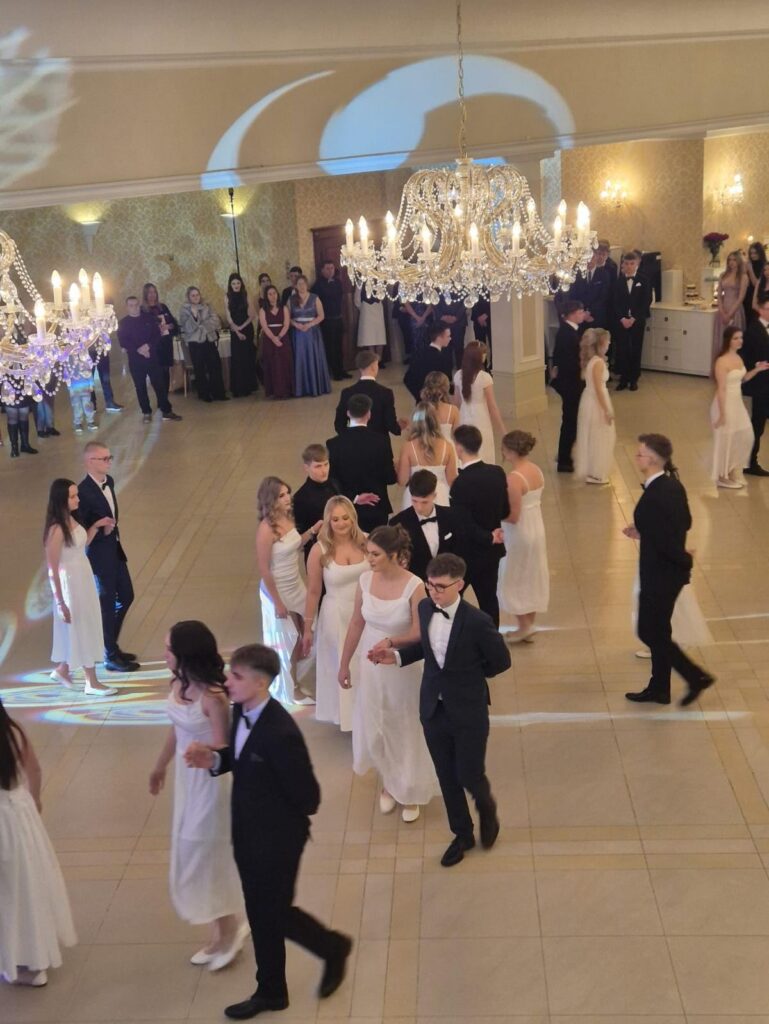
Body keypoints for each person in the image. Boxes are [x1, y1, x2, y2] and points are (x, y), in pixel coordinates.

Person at [184, 644, 353, 1020]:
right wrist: (213, 759)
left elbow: (309, 797)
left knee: (272, 912)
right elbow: (240, 758)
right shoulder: (241, 712)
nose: (227, 681)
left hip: (278, 841)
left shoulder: (280, 732)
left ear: (260, 683)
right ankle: (273, 990)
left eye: (236, 676)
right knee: (262, 912)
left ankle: (329, 949)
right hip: (246, 832)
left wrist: (275, 820)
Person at [370, 552, 510, 866]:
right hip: (433, 708)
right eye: (430, 585)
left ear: (459, 584)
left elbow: (501, 662)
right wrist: (396, 656)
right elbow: (427, 648)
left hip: (469, 709)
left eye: (441, 587)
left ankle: (487, 809)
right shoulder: (425, 608)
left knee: (469, 773)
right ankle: (462, 834)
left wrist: (469, 677)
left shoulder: (478, 622)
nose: (433, 592)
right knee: (446, 776)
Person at [149, 621, 247, 970]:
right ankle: (221, 927)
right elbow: (176, 729)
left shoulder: (213, 698)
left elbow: (224, 748)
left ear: (186, 654)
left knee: (204, 851)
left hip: (210, 784)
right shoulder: (179, 683)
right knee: (195, 849)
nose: (164, 655)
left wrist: (203, 751)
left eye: (169, 649)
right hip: (187, 779)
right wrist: (160, 766)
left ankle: (228, 930)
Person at [338, 526, 437, 822]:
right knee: (377, 721)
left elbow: (419, 632)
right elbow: (356, 623)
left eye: (375, 554)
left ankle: (409, 788)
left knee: (404, 722)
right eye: (368, 552)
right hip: (371, 662)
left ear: (394, 555)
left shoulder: (414, 586)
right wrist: (344, 663)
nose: (368, 559)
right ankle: (389, 782)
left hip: (400, 662)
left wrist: (391, 643)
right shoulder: (365, 580)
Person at [624, 433, 715, 706]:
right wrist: (646, 531)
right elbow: (684, 522)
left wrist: (683, 557)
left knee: (649, 631)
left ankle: (695, 676)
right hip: (665, 572)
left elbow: (667, 541)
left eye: (640, 454)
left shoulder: (657, 494)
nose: (637, 458)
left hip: (660, 574)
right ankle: (660, 688)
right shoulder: (672, 485)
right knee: (658, 630)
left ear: (652, 459)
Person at [0, 697, 76, 988]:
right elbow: (35, 770)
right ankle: (34, 956)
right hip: (20, 814)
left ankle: (13, 956)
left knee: (7, 892)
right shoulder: (14, 730)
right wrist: (33, 801)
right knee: (28, 883)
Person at [44, 478, 118, 697]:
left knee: (83, 625)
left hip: (83, 580)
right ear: (61, 500)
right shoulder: (56, 529)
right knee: (81, 627)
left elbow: (80, 544)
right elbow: (52, 568)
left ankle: (63, 669)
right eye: (73, 496)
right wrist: (60, 602)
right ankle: (91, 682)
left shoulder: (72, 520)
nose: (78, 499)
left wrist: (95, 526)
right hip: (71, 586)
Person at [302, 497, 367, 729]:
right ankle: (346, 717)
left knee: (364, 664)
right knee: (341, 663)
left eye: (345, 518)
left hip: (365, 613)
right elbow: (313, 591)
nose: (341, 524)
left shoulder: (367, 541)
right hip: (336, 615)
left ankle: (366, 715)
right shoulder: (319, 550)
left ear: (353, 518)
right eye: (335, 519)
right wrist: (307, 628)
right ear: (328, 521)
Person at [255, 477, 319, 707]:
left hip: (295, 584)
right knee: (289, 640)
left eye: (287, 493)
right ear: (271, 499)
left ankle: (297, 677)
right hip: (278, 589)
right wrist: (278, 602)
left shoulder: (288, 518)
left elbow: (294, 544)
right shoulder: (266, 529)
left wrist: (312, 531)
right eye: (281, 495)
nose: (287, 498)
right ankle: (290, 687)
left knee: (310, 630)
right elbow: (264, 568)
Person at [78, 441, 140, 672]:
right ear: (89, 462)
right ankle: (110, 654)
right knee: (106, 603)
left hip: (114, 548)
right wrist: (98, 526)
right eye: (104, 459)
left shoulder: (109, 481)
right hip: (99, 555)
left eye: (109, 457)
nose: (109, 462)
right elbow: (80, 532)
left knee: (126, 595)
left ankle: (109, 645)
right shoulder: (82, 492)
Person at [449, 425, 509, 627]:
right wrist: (492, 536)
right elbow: (505, 510)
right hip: (491, 552)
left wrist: (488, 536)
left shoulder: (460, 484)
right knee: (489, 599)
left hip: (466, 554)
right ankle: (492, 639)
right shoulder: (497, 473)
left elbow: (462, 525)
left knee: (452, 599)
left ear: (458, 447)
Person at [497, 431, 549, 643]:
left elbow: (513, 516)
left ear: (510, 451)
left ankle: (524, 626)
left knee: (514, 575)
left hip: (519, 533)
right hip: (536, 527)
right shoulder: (536, 470)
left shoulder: (514, 479)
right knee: (531, 574)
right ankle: (528, 624)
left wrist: (493, 515)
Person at [327, 394, 397, 532]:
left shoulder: (333, 444)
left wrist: (355, 498)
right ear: (369, 414)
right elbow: (390, 478)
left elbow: (332, 480)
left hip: (347, 508)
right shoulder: (381, 441)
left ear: (348, 413)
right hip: (377, 506)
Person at [711, 326, 769, 488]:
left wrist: (757, 369)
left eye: (740, 338)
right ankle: (722, 476)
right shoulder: (722, 361)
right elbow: (721, 388)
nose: (739, 341)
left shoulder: (738, 358)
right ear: (728, 341)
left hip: (737, 402)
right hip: (725, 403)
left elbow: (743, 379)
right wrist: (722, 413)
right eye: (735, 338)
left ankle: (731, 470)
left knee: (745, 434)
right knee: (726, 438)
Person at [118, 296, 182, 422]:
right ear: (127, 307)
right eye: (131, 305)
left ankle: (166, 411)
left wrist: (148, 346)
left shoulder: (148, 318)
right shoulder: (123, 323)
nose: (134, 307)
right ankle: (146, 412)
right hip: (136, 360)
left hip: (152, 357)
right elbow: (123, 341)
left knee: (159, 385)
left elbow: (156, 335)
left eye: (136, 305)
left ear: (139, 305)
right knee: (140, 386)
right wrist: (139, 350)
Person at [390, 468, 462, 580]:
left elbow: (460, 553)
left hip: (447, 583)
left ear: (434, 496)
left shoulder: (451, 516)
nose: (419, 507)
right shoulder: (398, 523)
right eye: (414, 501)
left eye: (424, 502)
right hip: (415, 584)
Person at [333, 349, 405, 454]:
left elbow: (339, 423)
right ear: (373, 367)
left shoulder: (347, 392)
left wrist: (349, 438)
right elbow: (391, 425)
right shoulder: (385, 393)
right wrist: (399, 427)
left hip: (355, 446)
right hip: (380, 446)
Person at [452, 342, 506, 465]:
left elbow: (456, 403)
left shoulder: (458, 375)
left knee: (465, 446)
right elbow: (492, 407)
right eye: (484, 353)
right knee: (483, 446)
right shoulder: (485, 378)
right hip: (481, 416)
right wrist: (503, 431)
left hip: (464, 415)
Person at [574, 327, 616, 484]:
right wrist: (606, 410)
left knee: (593, 435)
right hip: (596, 402)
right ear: (601, 344)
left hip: (590, 399)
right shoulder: (598, 363)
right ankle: (597, 472)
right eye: (607, 342)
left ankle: (593, 470)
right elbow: (598, 388)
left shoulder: (592, 361)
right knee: (600, 436)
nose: (609, 344)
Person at [397, 402, 457, 509]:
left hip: (415, 497)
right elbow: (452, 480)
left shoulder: (408, 447)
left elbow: (402, 481)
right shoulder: (447, 447)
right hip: (439, 495)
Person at [550, 299, 587, 472]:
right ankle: (564, 459)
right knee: (570, 421)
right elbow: (567, 361)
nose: (583, 314)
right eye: (580, 312)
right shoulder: (567, 333)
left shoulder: (569, 331)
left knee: (571, 420)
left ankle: (565, 454)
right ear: (572, 314)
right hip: (570, 384)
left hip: (571, 382)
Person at [179, 286, 227, 403]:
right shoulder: (184, 310)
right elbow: (187, 327)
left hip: (208, 340)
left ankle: (218, 393)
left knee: (215, 365)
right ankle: (204, 393)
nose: (196, 297)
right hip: (195, 343)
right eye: (193, 295)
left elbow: (216, 321)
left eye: (197, 295)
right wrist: (194, 316)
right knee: (200, 368)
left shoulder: (207, 306)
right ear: (189, 297)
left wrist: (201, 326)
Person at [613, 250, 652, 392]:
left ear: (637, 264)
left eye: (632, 263)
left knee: (636, 348)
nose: (629, 266)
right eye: (626, 263)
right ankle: (623, 379)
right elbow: (615, 302)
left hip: (637, 320)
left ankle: (634, 378)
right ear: (623, 264)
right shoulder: (618, 281)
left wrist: (634, 318)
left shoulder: (644, 280)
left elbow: (646, 301)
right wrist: (622, 318)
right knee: (622, 349)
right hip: (622, 321)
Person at [292, 444, 341, 559]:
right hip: (318, 553)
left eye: (326, 464)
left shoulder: (334, 483)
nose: (324, 471)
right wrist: (314, 529)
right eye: (318, 466)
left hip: (340, 546)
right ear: (306, 468)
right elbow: (298, 539)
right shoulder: (300, 498)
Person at [289, 275, 331, 398]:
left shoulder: (315, 298)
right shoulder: (291, 299)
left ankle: (316, 386)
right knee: (300, 359)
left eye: (303, 283)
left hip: (312, 332)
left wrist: (309, 324)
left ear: (307, 285)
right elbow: (287, 317)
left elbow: (321, 315)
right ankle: (301, 389)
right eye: (299, 284)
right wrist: (296, 325)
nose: (301, 286)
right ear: (295, 286)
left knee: (313, 357)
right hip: (298, 333)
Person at [741, 297, 769, 476]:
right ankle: (750, 461)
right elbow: (744, 357)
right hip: (760, 385)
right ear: (760, 309)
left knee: (760, 423)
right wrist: (757, 365)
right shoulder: (753, 331)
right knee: (757, 424)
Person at [311, 260, 349, 381]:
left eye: (332, 268)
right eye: (327, 268)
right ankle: (334, 372)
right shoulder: (317, 285)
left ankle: (341, 370)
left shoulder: (338, 282)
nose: (330, 271)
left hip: (338, 318)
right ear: (322, 270)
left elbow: (340, 298)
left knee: (339, 347)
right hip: (326, 321)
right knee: (330, 347)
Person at [142, 283, 180, 394]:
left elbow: (174, 324)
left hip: (166, 345)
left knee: (165, 371)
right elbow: (142, 330)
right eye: (149, 292)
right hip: (153, 346)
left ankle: (165, 397)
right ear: (145, 294)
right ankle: (160, 396)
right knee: (156, 373)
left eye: (154, 292)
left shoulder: (163, 307)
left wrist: (168, 326)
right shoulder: (142, 310)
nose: (152, 294)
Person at [226, 273, 258, 398]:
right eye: (234, 283)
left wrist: (242, 328)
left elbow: (252, 315)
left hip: (246, 328)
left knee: (247, 357)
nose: (236, 285)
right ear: (230, 285)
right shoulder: (227, 296)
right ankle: (238, 388)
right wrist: (237, 331)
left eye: (238, 283)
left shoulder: (246, 295)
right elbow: (228, 317)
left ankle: (248, 386)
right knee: (237, 358)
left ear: (241, 284)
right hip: (235, 330)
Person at [258, 284, 293, 399]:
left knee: (284, 364)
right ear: (266, 296)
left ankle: (286, 390)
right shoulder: (263, 310)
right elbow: (264, 326)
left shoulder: (284, 308)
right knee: (272, 364)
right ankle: (274, 391)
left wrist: (279, 336)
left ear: (277, 294)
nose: (273, 296)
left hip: (283, 337)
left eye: (274, 293)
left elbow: (286, 324)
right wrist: (273, 338)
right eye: (270, 294)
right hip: (269, 339)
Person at [404, 323, 454, 401]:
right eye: (448, 336)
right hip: (438, 402)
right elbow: (446, 382)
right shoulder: (443, 359)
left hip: (423, 402)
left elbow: (407, 379)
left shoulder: (418, 354)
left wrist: (420, 397)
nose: (450, 338)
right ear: (439, 338)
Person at [713, 251, 747, 361]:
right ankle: (721, 365)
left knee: (734, 339)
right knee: (722, 339)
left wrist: (730, 314)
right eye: (729, 260)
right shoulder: (723, 275)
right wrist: (722, 311)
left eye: (734, 260)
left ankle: (734, 365)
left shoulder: (743, 277)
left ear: (739, 261)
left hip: (735, 310)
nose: (731, 262)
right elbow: (719, 295)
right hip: (723, 309)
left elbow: (741, 297)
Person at [421, 370, 459, 445]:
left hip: (428, 446)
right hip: (447, 446)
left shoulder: (421, 410)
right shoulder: (453, 410)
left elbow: (417, 430)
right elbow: (456, 436)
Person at [434, 293, 467, 369]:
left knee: (459, 347)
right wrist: (442, 316)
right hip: (443, 322)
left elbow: (466, 302)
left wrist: (456, 317)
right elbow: (434, 301)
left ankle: (460, 371)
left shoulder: (463, 287)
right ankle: (446, 371)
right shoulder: (438, 286)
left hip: (459, 322)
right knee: (445, 349)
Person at [354, 284, 387, 356]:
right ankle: (373, 359)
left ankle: (379, 359)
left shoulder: (379, 280)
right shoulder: (361, 280)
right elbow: (357, 297)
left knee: (380, 336)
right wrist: (362, 307)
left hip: (378, 308)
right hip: (366, 308)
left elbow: (382, 294)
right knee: (369, 338)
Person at [744, 241, 766, 323]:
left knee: (755, 322)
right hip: (747, 297)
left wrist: (750, 270)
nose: (752, 255)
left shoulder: (764, 266)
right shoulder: (749, 264)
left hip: (757, 298)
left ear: (760, 253)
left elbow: (756, 284)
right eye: (751, 253)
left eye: (755, 253)